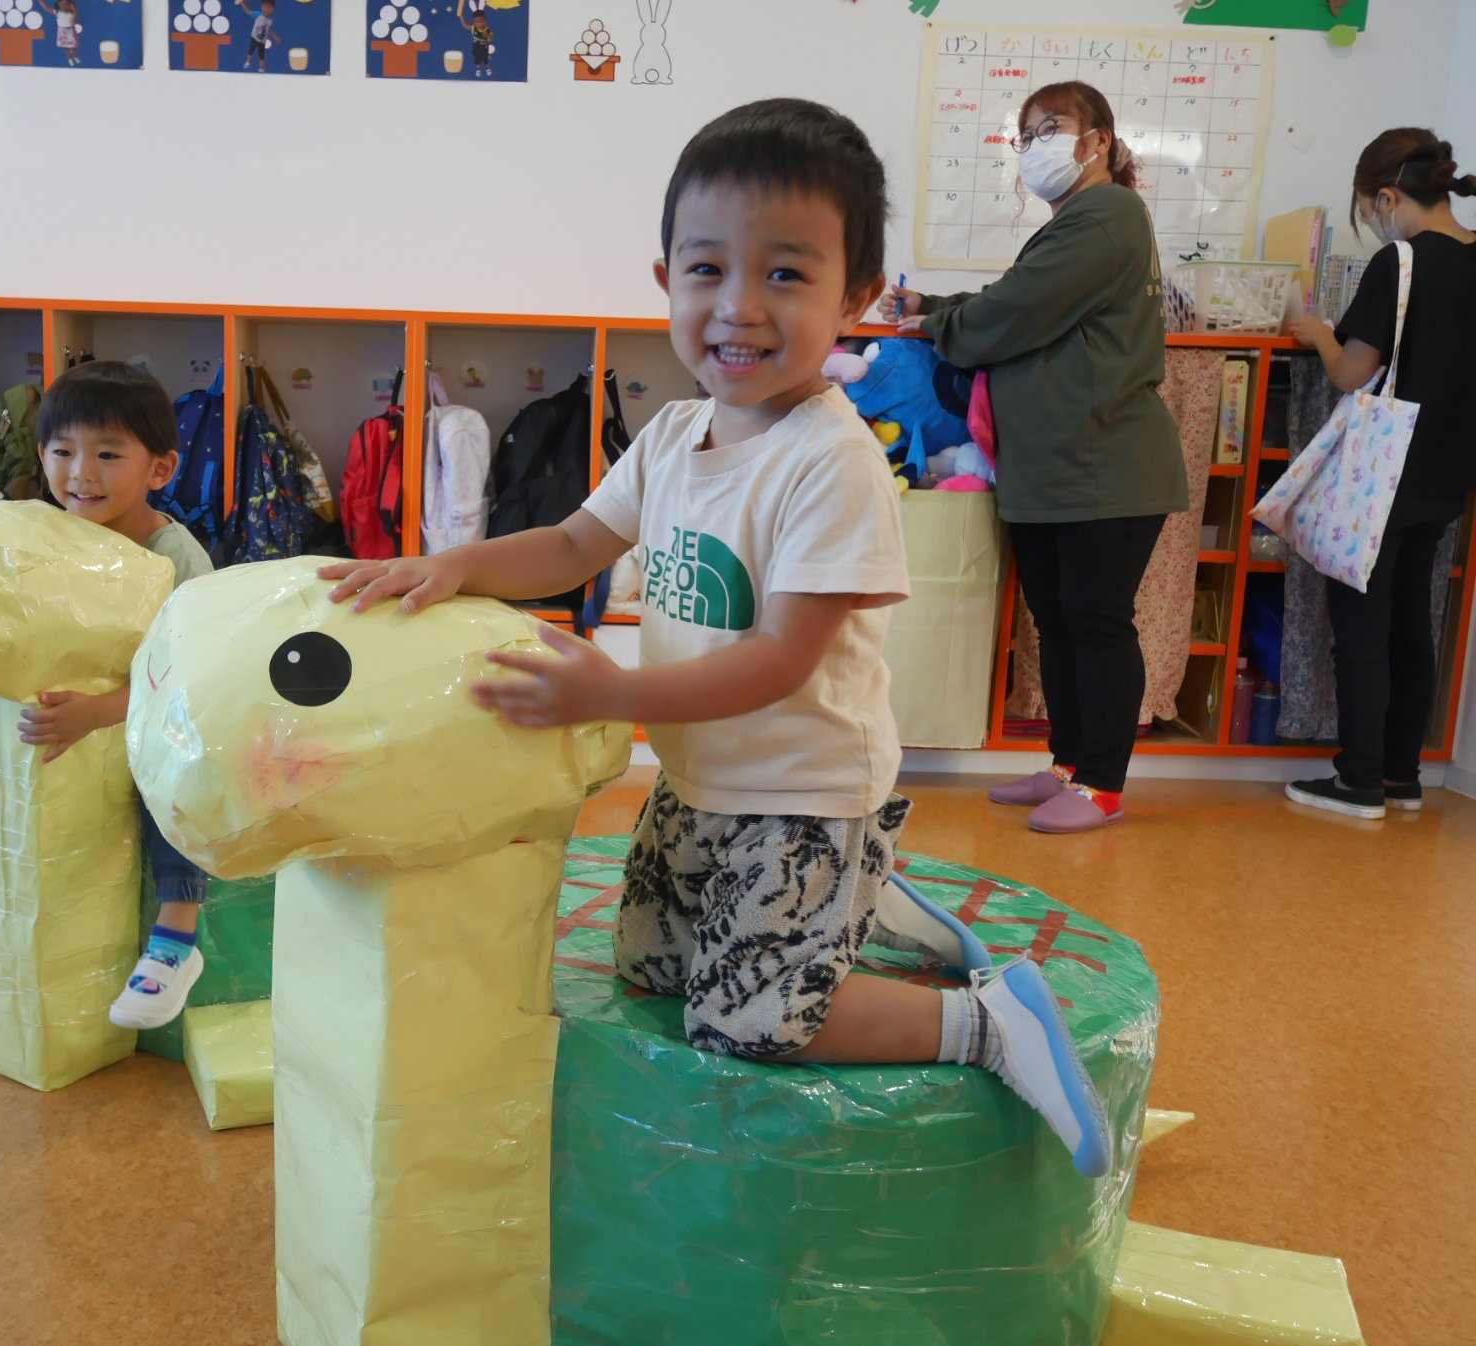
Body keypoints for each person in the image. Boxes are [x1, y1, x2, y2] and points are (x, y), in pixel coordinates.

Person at [322, 99, 1112, 1177]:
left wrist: (610, 695)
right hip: (702, 781)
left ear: (858, 299)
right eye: (708, 270)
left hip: (802, 790)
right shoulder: (677, 433)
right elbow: (569, 542)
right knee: (651, 970)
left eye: (786, 275)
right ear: (666, 282)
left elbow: (781, 661)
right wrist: (457, 563)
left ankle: (981, 1017)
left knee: (747, 1023)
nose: (739, 307)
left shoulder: (832, 464)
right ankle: (864, 903)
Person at [0, 362, 216, 1032]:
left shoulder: (175, 557)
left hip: (143, 720)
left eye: (108, 454)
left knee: (178, 785)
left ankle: (176, 935)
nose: (81, 472)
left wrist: (103, 713)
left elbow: (191, 678)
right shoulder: (36, 537)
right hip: (56, 719)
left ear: (160, 469)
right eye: (62, 451)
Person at [883, 81, 1187, 835]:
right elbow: (1016, 294)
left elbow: (1015, 313)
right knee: (1057, 620)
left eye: (1052, 128)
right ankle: (1068, 765)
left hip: (1105, 462)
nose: (1036, 145)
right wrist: (932, 310)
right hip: (1057, 464)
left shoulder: (1108, 211)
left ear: (1100, 142)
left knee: (1096, 620)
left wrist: (940, 324)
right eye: (1027, 134)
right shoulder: (1076, 222)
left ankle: (1102, 785)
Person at [1283, 130, 1476, 819]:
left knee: (1361, 626)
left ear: (1389, 197)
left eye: (1370, 208)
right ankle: (1402, 776)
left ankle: (1357, 780)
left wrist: (1316, 331)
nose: (1374, 221)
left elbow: (1351, 373)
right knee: (1413, 625)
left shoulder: (1402, 261)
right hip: (1449, 475)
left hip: (1382, 475)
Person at [238, 0, 278, 70]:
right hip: (254, 37)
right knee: (251, 51)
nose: (266, 9)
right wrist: (243, 2)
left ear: (273, 9)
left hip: (262, 41)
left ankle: (261, 68)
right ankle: (248, 62)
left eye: (269, 8)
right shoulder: (258, 15)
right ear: (261, 7)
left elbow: (270, 30)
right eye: (264, 7)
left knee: (261, 55)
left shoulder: (270, 20)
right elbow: (248, 11)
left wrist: (275, 36)